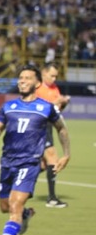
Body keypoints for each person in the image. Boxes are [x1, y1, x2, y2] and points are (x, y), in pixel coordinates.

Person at [0, 64, 71, 235]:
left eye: (27, 78)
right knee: (5, 207)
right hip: (8, 162)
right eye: (20, 78)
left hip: (29, 163)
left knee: (14, 205)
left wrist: (66, 154)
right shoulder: (8, 106)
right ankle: (25, 215)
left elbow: (62, 129)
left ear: (37, 83)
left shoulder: (45, 107)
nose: (22, 81)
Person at [35, 62, 71, 208]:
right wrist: (56, 101)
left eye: (56, 76)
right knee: (52, 157)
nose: (54, 79)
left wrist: (63, 103)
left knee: (44, 164)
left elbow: (57, 110)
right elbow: (41, 108)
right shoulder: (38, 88)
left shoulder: (54, 88)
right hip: (39, 126)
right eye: (52, 75)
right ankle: (52, 198)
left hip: (49, 125)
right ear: (44, 73)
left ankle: (17, 182)